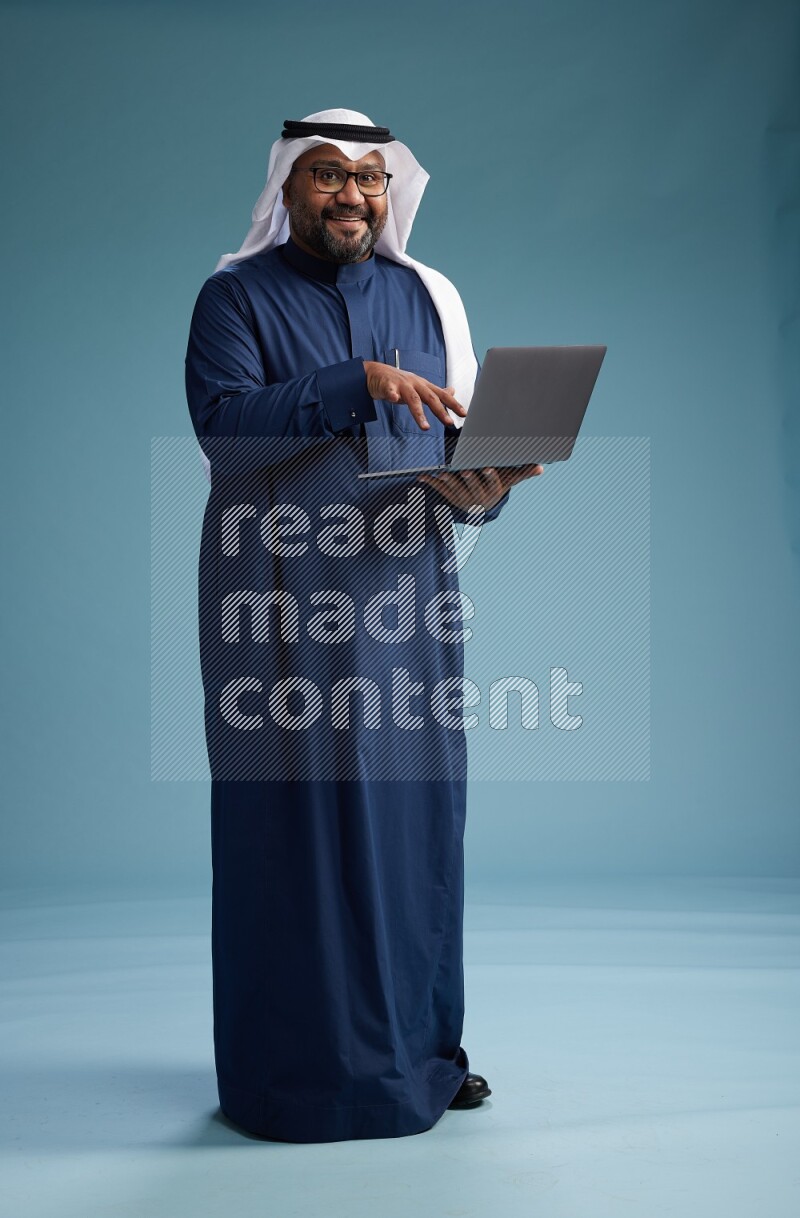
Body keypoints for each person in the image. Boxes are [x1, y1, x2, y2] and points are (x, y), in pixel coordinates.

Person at [185, 108, 542, 1144]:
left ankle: (419, 1056)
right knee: (291, 827)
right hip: (277, 600)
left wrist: (485, 489)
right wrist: (354, 384)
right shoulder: (232, 297)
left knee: (414, 824)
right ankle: (289, 1075)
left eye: (371, 180)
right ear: (288, 187)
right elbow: (223, 431)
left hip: (403, 595)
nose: (353, 196)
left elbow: (460, 458)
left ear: (393, 193)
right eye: (330, 177)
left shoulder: (429, 298)